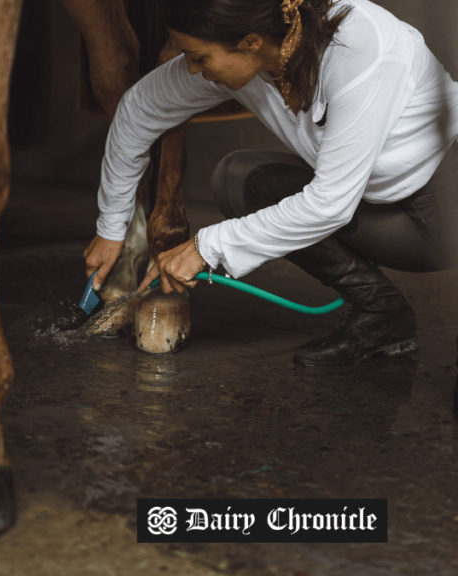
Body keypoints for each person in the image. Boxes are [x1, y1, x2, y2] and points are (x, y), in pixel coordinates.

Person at [84, 0, 458, 366]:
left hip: (442, 213)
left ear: (250, 41)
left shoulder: (361, 48)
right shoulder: (252, 52)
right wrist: (111, 227)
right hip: (369, 203)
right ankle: (382, 312)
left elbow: (329, 204)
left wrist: (204, 248)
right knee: (239, 179)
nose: (192, 69)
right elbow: (139, 109)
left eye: (199, 57)